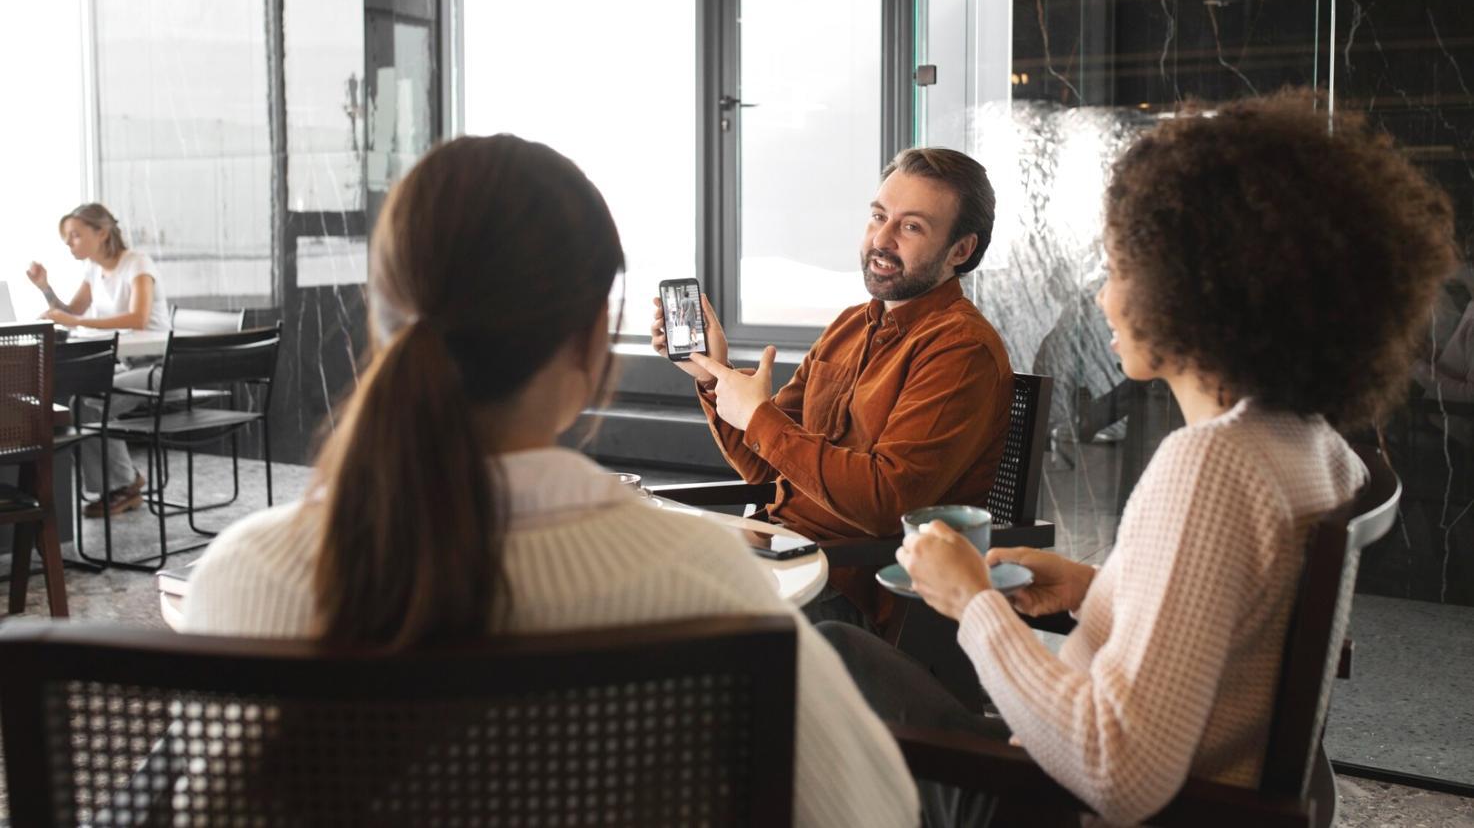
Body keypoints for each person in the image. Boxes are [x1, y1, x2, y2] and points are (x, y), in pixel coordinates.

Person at [182, 134, 919, 828]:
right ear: (595, 342)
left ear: (379, 323)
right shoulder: (699, 584)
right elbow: (876, 812)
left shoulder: (247, 575)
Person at [818, 93, 1456, 826]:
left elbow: (1116, 769)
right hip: (1176, 780)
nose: (1102, 298)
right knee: (835, 650)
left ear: (1198, 292)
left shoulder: (1209, 467)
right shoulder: (1316, 446)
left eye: (1119, 268)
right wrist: (1096, 587)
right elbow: (1231, 631)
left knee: (815, 669)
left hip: (1053, 802)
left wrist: (973, 603)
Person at [652, 148, 1012, 627]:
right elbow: (766, 463)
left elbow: (887, 505)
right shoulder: (850, 326)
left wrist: (761, 417)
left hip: (853, 588)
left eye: (910, 227)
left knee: (650, 617)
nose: (881, 240)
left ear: (960, 251)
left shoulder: (961, 350)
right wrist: (715, 375)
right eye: (878, 216)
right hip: (781, 556)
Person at [27, 203, 171, 517]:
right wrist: (45, 288)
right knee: (79, 400)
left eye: (75, 235)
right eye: (67, 237)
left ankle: (123, 485)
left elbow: (138, 318)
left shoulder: (136, 263)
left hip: (161, 368)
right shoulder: (93, 269)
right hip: (127, 366)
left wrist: (75, 321)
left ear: (102, 232)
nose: (69, 243)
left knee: (87, 403)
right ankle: (124, 483)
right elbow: (72, 313)